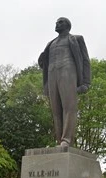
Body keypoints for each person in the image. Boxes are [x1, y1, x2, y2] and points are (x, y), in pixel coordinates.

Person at [38, 17, 91, 147]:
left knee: (69, 107)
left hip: (68, 72)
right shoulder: (50, 43)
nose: (56, 23)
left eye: (60, 22)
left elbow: (85, 61)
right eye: (56, 22)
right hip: (52, 74)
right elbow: (43, 64)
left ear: (67, 25)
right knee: (56, 111)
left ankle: (66, 139)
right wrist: (41, 60)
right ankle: (59, 140)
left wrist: (86, 83)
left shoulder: (76, 39)